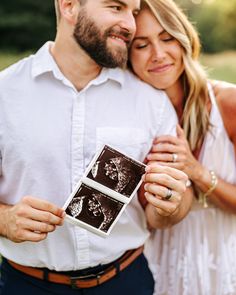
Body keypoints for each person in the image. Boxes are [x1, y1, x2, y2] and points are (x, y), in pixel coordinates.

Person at [0, 0, 190, 294]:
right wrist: (4, 219)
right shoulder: (5, 94)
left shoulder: (150, 101)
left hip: (126, 281)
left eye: (133, 12)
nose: (130, 24)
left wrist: (171, 205)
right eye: (116, 7)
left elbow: (161, 214)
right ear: (69, 6)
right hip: (26, 285)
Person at [129, 0, 236, 294]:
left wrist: (196, 171)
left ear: (185, 39)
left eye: (167, 38)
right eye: (141, 45)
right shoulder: (129, 121)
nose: (158, 54)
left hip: (223, 264)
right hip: (159, 268)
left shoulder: (228, 103)